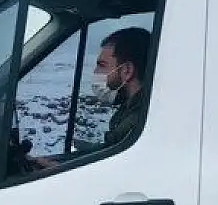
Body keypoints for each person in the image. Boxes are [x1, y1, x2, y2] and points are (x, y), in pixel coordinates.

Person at [32, 26, 151, 170]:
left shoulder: (134, 126)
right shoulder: (136, 112)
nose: (95, 72)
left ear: (127, 71)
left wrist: (60, 172)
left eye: (102, 65)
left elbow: (111, 176)